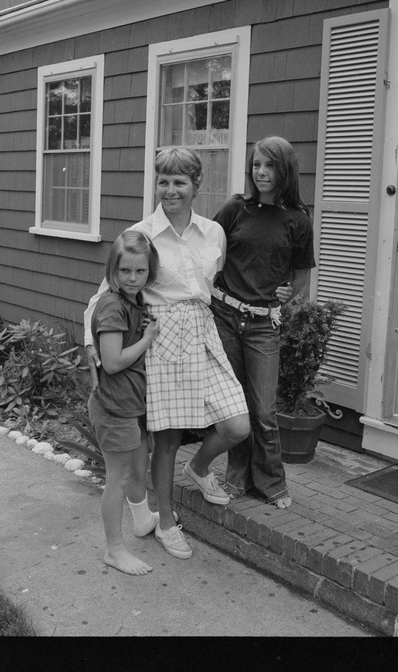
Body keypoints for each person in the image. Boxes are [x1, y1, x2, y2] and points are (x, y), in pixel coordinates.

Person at [84, 147, 250, 560]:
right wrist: (91, 343)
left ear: (196, 186)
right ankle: (166, 522)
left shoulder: (213, 232)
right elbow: (104, 293)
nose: (170, 190)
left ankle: (198, 470)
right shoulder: (143, 234)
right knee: (168, 439)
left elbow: (212, 285)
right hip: (162, 339)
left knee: (237, 425)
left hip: (203, 331)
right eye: (163, 181)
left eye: (179, 182)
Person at [210, 136, 316, 509]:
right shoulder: (235, 210)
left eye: (270, 166)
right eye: (257, 165)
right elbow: (208, 253)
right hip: (224, 317)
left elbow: (301, 274)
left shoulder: (298, 221)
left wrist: (289, 295)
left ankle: (271, 482)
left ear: (284, 170)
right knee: (235, 407)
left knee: (264, 410)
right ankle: (237, 476)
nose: (262, 172)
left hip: (262, 326)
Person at [87, 230, 161, 575]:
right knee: (117, 478)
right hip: (114, 407)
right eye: (125, 271)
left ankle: (142, 520)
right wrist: (147, 339)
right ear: (112, 271)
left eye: (140, 271)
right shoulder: (115, 306)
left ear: (150, 272)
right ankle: (114, 550)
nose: (132, 278)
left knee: (135, 468)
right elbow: (113, 361)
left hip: (128, 404)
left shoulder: (133, 301)